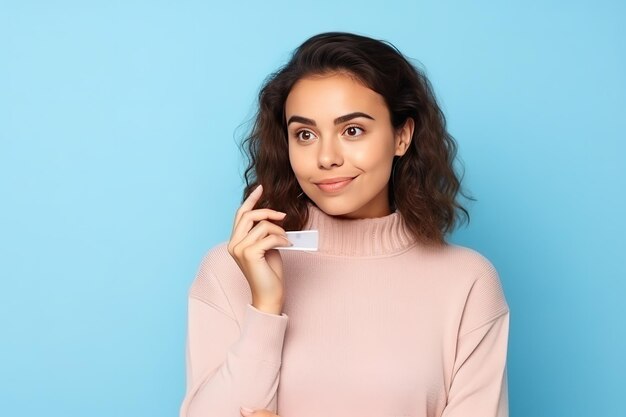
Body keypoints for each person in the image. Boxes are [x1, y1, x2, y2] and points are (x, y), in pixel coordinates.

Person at [179, 32, 510, 417]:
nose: (326, 157)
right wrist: (265, 309)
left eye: (352, 130)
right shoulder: (229, 269)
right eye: (305, 134)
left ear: (402, 136)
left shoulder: (467, 282)